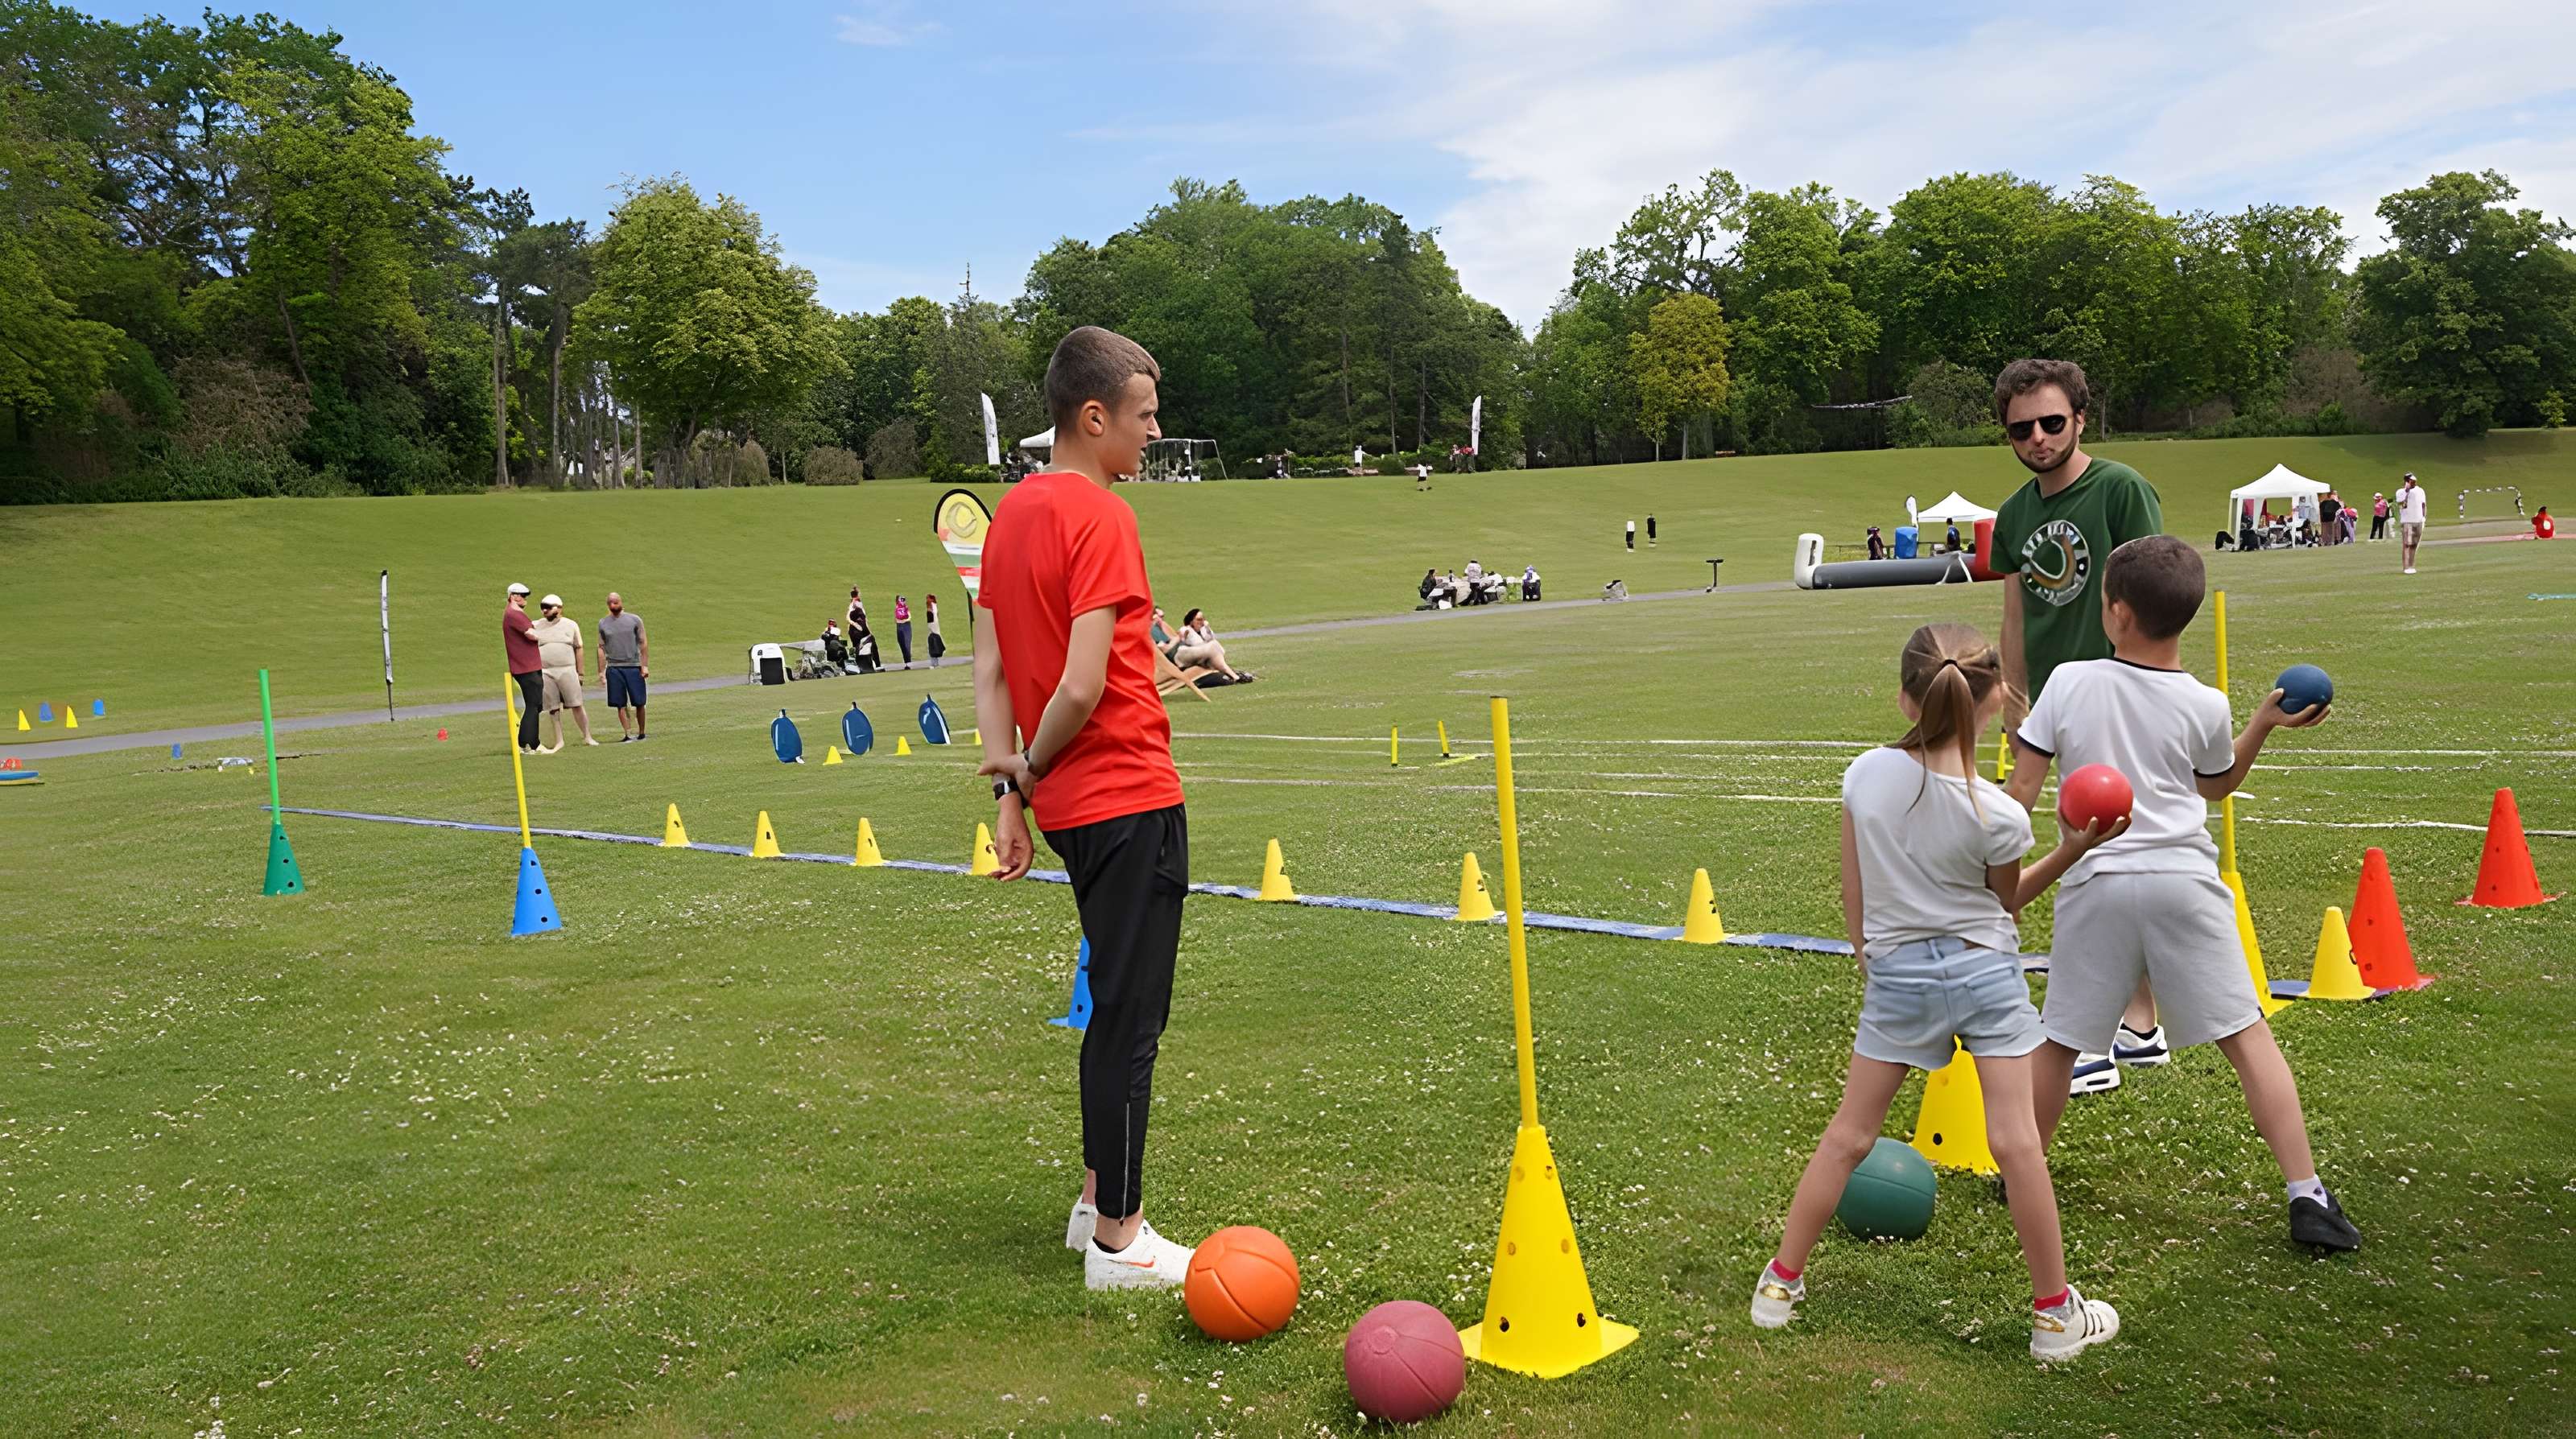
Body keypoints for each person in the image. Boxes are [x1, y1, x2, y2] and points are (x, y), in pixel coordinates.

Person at [1752, 622, 2123, 1361]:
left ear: (1904, 698)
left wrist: (1870, 956)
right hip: (1985, 973)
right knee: (2017, 1143)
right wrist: (2074, 849)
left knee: (1849, 1136)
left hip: (1899, 976)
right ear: (1992, 706)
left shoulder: (1863, 776)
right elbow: (2007, 903)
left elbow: (1854, 890)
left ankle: (1778, 1286)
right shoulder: (2000, 814)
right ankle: (2055, 1318)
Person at [2004, 534, 2361, 1255]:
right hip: (2184, 883)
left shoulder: (2069, 682)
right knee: (2246, 1035)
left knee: (2061, 1042)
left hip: (2097, 880)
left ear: (2116, 613)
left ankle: (2022, 1174)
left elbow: (2022, 790)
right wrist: (2259, 722)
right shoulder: (2206, 702)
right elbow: (2215, 786)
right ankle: (2306, 1195)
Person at [975, 325, 1197, 1291]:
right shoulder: (1100, 516)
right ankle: (1120, 1237)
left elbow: (986, 670)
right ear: (1094, 416)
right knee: (1128, 1019)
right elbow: (1076, 685)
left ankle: (1090, 1205)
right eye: (1144, 416)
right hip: (1121, 791)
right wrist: (1025, 773)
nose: (1153, 434)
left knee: (1111, 1006)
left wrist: (1012, 794)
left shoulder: (1008, 517)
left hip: (1068, 805)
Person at [1989, 357, 2167, 1088]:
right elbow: (2015, 612)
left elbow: (2155, 592)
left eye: (2051, 422)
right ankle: (2139, 1023)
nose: (2037, 437)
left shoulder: (2120, 489)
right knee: (2099, 857)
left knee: (2108, 860)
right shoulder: (2012, 514)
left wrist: (2142, 690)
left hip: (2121, 697)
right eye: (2020, 429)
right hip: (2053, 705)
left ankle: (2096, 1033)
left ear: (2081, 419)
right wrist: (2011, 698)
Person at [528, 595, 594, 750]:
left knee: (577, 704)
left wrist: (581, 672)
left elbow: (579, 648)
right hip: (546, 672)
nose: (545, 611)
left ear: (559, 608)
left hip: (567, 670)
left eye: (548, 607)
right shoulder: (536, 625)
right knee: (553, 707)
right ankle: (559, 741)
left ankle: (587, 736)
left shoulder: (570, 625)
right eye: (542, 607)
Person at [597, 592, 649, 742]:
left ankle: (642, 732)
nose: (614, 605)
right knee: (619, 703)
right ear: (608, 605)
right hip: (614, 667)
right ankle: (627, 733)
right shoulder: (603, 623)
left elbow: (643, 643)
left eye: (616, 602)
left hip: (633, 666)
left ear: (621, 602)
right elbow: (600, 647)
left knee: (639, 702)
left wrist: (644, 665)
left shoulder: (634, 620)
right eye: (611, 603)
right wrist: (601, 670)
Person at [502, 583, 545, 753]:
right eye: (522, 595)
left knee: (536, 705)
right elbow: (531, 634)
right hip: (526, 667)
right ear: (513, 596)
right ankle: (530, 744)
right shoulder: (514, 614)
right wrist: (542, 635)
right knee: (533, 705)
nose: (525, 599)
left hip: (527, 666)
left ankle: (527, 743)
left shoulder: (514, 614)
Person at [1175, 608, 1251, 680]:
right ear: (1191, 621)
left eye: (1203, 619)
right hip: (1193, 658)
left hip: (1206, 657)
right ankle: (1235, 676)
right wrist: (1184, 636)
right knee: (1213, 647)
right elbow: (1181, 642)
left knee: (1214, 644)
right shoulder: (1185, 629)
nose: (1201, 622)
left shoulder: (1203, 629)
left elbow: (1211, 638)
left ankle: (1233, 674)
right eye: (1199, 619)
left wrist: (1207, 628)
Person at [2396, 473, 2428, 573]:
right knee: (2406, 544)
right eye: (2410, 481)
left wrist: (2423, 517)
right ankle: (2405, 568)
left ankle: (2411, 566)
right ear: (2406, 482)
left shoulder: (2420, 490)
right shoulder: (2400, 492)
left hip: (2418, 520)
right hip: (2407, 521)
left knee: (2414, 545)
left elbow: (2423, 505)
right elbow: (2402, 505)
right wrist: (2407, 491)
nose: (2413, 483)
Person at [925, 592, 947, 665]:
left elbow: (932, 619)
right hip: (934, 626)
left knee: (933, 644)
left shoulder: (932, 607)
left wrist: (931, 629)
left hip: (933, 626)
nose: (927, 600)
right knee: (934, 643)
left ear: (931, 599)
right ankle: (935, 662)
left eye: (928, 598)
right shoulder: (933, 606)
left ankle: (934, 663)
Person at [894, 594, 914, 668]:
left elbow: (909, 616)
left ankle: (908, 662)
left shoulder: (905, 608)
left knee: (907, 643)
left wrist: (904, 620)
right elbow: (896, 620)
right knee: (902, 643)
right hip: (900, 627)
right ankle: (907, 661)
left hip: (906, 626)